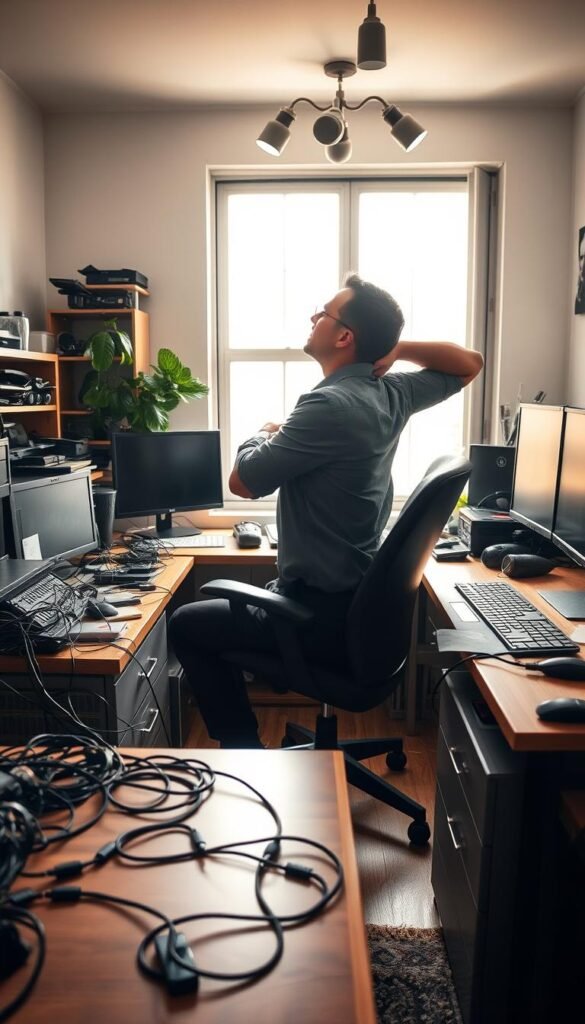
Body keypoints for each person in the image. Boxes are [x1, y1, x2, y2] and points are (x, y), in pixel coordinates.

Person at [169, 273, 483, 747]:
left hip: (316, 617)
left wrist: (264, 434)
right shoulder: (390, 394)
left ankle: (246, 756)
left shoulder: (328, 405)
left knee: (187, 625)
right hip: (357, 613)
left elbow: (243, 482)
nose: (314, 317)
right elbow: (470, 364)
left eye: (324, 312)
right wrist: (395, 351)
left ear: (343, 336)